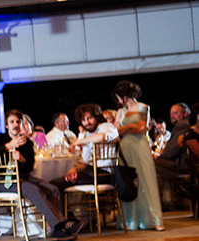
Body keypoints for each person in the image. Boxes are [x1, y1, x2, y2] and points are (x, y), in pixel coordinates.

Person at [0, 110, 80, 241]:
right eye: (12, 122)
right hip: (3, 181)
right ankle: (59, 226)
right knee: (33, 189)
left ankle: (59, 226)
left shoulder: (26, 143)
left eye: (18, 121)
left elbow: (29, 167)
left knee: (53, 189)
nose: (15, 124)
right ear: (6, 125)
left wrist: (22, 159)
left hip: (22, 178)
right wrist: (8, 146)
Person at [112, 81, 164, 231]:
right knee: (128, 181)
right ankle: (130, 220)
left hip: (140, 147)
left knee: (146, 180)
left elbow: (142, 128)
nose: (118, 101)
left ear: (124, 95)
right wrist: (130, 127)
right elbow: (117, 132)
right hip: (125, 148)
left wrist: (125, 127)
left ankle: (152, 220)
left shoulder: (143, 107)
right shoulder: (119, 112)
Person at [51, 103, 119, 190]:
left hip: (104, 175)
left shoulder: (107, 127)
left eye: (89, 118)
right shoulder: (88, 134)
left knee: (55, 184)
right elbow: (86, 162)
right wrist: (74, 170)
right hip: (90, 172)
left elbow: (102, 137)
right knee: (56, 182)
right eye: (83, 120)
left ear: (96, 117)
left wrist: (79, 142)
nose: (87, 122)